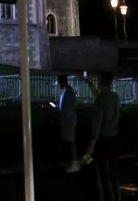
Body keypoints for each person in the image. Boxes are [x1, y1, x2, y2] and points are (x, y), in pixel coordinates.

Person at [83, 72, 121, 201]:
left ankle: (105, 198)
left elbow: (96, 124)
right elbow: (102, 99)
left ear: (101, 82)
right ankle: (117, 197)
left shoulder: (100, 100)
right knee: (114, 174)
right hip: (114, 139)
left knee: (102, 174)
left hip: (103, 141)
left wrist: (91, 145)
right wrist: (90, 84)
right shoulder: (115, 97)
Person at [55, 74, 79, 173]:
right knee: (69, 141)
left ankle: (74, 163)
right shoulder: (68, 91)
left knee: (70, 141)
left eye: (58, 82)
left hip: (68, 121)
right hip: (68, 120)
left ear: (61, 81)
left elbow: (67, 109)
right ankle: (72, 162)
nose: (57, 84)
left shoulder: (67, 92)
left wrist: (62, 120)